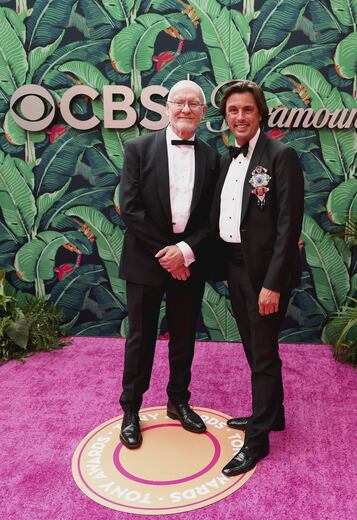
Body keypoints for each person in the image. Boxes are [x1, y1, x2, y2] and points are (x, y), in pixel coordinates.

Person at [119, 80, 219, 448]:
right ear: (167, 106)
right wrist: (168, 253)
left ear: (204, 112)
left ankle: (178, 400)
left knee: (183, 336)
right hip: (148, 260)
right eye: (180, 102)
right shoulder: (138, 148)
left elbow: (212, 216)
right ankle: (131, 409)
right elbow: (130, 209)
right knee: (141, 338)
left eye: (195, 104)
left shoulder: (212, 157)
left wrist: (186, 252)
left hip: (188, 263)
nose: (186, 109)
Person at [211, 80, 304, 475]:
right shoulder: (228, 158)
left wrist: (272, 283)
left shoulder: (280, 156)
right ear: (226, 117)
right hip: (235, 266)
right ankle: (274, 414)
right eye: (233, 110)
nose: (240, 117)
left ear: (260, 113)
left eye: (247, 110)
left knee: (263, 354)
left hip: (266, 274)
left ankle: (257, 441)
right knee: (253, 348)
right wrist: (231, 271)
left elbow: (288, 226)